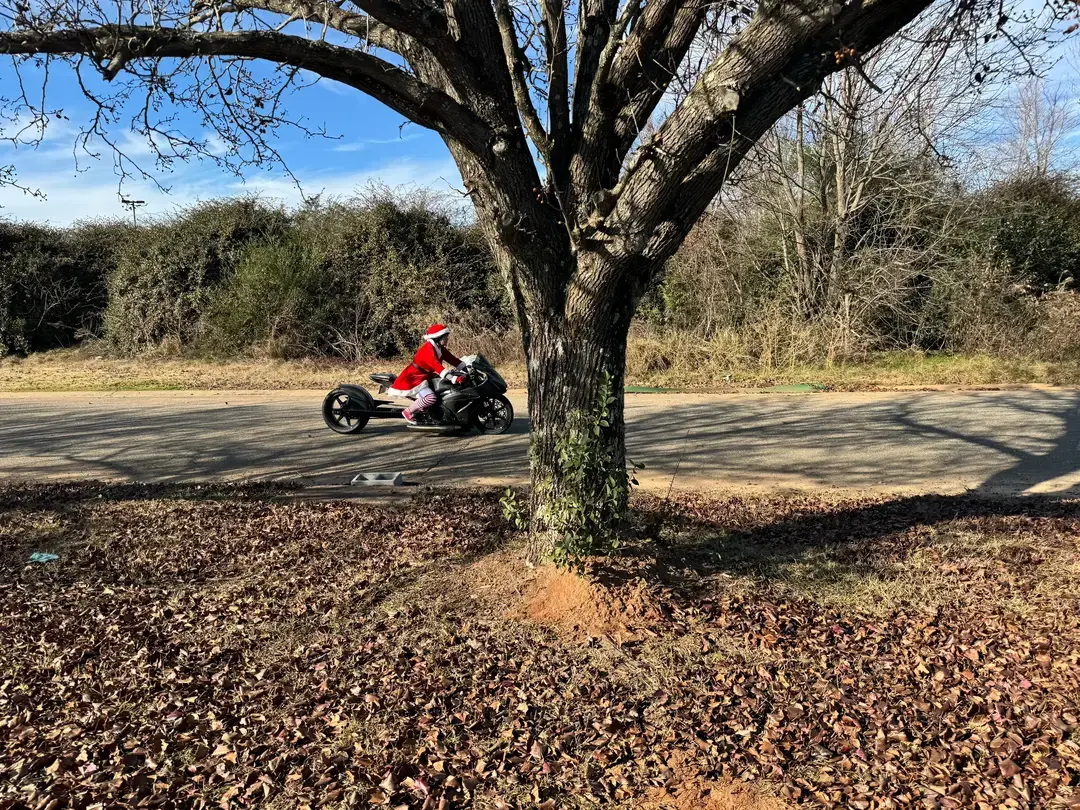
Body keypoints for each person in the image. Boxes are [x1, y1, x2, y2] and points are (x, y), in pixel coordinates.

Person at [387, 323, 467, 423]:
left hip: (424, 376)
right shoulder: (427, 349)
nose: (447, 339)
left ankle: (430, 412)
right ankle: (408, 412)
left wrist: (467, 368)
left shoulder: (439, 348)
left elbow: (452, 360)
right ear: (438, 338)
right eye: (445, 337)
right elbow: (437, 366)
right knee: (431, 398)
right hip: (414, 378)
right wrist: (453, 378)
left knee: (441, 392)